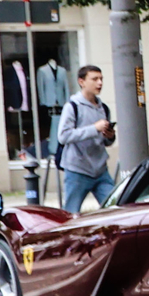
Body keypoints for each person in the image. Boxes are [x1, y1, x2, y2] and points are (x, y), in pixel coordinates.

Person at [54, 64, 117, 212]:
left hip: (100, 170)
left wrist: (110, 136)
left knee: (115, 209)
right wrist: (94, 128)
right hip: (77, 170)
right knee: (71, 214)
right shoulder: (72, 106)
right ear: (81, 82)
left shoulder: (104, 108)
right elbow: (63, 136)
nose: (100, 83)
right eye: (94, 79)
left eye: (101, 79)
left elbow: (106, 141)